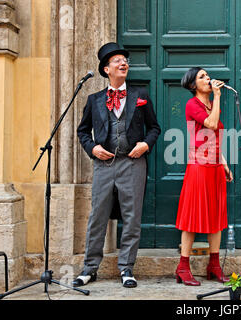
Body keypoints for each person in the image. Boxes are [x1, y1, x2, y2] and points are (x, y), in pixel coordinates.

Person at [74, 42, 161, 288]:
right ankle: (90, 268)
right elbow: (82, 131)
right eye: (117, 61)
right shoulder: (94, 100)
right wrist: (91, 147)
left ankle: (126, 269)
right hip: (104, 165)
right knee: (97, 217)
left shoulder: (140, 96)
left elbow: (154, 127)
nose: (123, 63)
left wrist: (145, 144)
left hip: (133, 164)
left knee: (132, 218)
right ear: (106, 69)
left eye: (125, 60)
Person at [175, 67, 233, 286]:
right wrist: (217, 97)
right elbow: (209, 124)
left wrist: (224, 163)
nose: (208, 79)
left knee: (216, 217)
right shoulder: (193, 104)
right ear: (193, 85)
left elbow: (213, 136)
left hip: (215, 165)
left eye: (207, 75)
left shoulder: (211, 104)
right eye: (202, 77)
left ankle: (214, 266)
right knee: (192, 217)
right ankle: (183, 267)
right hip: (199, 166)